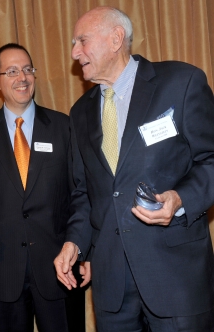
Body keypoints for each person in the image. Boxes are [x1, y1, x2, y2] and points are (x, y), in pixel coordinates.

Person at [54, 6, 214, 332]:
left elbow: (210, 159)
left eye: (82, 40)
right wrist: (74, 242)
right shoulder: (80, 112)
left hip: (175, 279)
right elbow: (87, 192)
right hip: (112, 285)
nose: (74, 52)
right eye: (73, 44)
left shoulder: (181, 82)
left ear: (116, 39)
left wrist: (180, 199)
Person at [0, 43, 71, 332]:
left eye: (27, 69)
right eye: (11, 71)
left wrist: (82, 253)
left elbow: (78, 195)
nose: (22, 78)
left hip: (58, 268)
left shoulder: (64, 127)